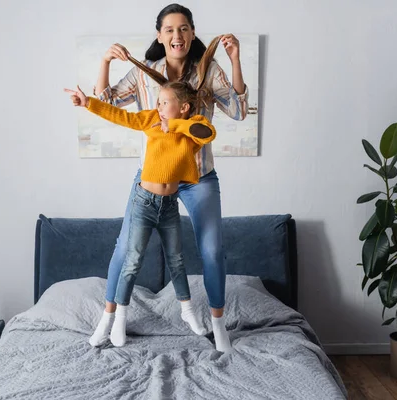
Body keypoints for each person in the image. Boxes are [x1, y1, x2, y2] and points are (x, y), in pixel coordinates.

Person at [93, 3, 248, 352]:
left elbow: (238, 111)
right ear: (159, 36)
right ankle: (107, 317)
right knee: (124, 248)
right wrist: (105, 62)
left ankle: (218, 324)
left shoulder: (208, 72)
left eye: (183, 29)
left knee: (213, 250)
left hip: (199, 178)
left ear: (192, 34)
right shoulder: (145, 73)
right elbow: (106, 100)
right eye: (169, 30)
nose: (177, 36)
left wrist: (236, 59)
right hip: (153, 178)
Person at [66, 78, 216, 346]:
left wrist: (177, 125)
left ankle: (188, 312)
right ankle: (119, 319)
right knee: (132, 260)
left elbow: (208, 134)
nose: (158, 106)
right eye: (157, 101)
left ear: (184, 107)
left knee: (177, 261)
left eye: (164, 102)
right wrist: (89, 102)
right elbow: (120, 115)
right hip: (143, 201)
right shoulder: (150, 120)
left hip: (169, 205)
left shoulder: (192, 129)